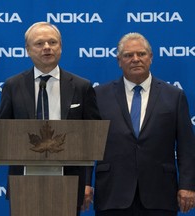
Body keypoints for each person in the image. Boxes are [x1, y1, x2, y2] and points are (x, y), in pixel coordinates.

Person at [83, 32, 195, 216]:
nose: (135, 59)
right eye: (128, 55)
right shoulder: (99, 95)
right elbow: (87, 145)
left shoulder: (174, 96)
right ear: (119, 60)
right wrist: (86, 182)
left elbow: (186, 146)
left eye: (141, 54)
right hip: (113, 193)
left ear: (150, 58)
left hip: (160, 194)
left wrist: (188, 185)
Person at [0, 21, 100, 215]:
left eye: (52, 42)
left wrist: (87, 181)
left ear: (60, 47)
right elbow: (3, 132)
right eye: (39, 43)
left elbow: (92, 139)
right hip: (24, 181)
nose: (47, 48)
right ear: (27, 50)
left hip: (69, 180)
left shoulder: (81, 86)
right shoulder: (13, 86)